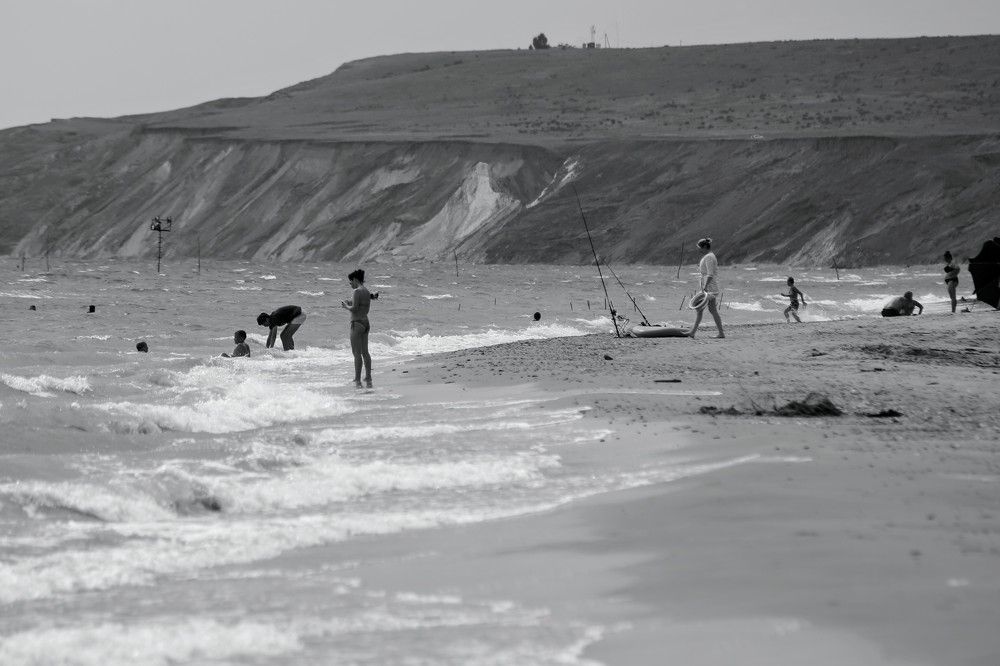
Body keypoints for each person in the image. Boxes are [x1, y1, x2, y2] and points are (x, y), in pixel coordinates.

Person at [341, 269, 373, 388]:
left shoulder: (356, 291)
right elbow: (361, 305)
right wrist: (351, 302)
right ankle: (368, 376)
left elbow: (354, 308)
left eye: (350, 282)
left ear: (355, 279)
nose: (350, 285)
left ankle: (357, 378)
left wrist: (345, 306)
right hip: (366, 322)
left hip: (357, 323)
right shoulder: (366, 291)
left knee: (356, 353)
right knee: (365, 352)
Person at [687, 238, 725, 338]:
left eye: (700, 248)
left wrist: (704, 287)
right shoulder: (710, 256)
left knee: (699, 309)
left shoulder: (708, 257)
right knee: (712, 310)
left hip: (709, 289)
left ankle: (692, 332)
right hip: (710, 288)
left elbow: (710, 274)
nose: (699, 250)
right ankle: (720, 333)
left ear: (704, 247)